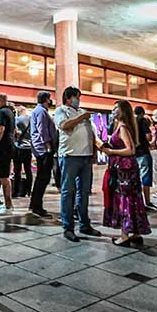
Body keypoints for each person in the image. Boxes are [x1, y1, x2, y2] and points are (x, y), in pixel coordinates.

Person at [98, 100, 151, 246]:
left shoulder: (122, 128)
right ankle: (136, 232)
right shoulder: (124, 126)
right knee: (134, 198)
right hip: (128, 168)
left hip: (125, 169)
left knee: (124, 199)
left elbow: (130, 150)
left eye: (116, 108)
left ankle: (125, 234)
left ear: (123, 111)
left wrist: (110, 151)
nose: (113, 110)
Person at [56, 86, 102, 242]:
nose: (78, 100)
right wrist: (82, 118)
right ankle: (68, 227)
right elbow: (64, 125)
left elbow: (91, 134)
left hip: (85, 157)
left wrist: (94, 152)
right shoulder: (61, 111)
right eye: (76, 97)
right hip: (69, 156)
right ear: (68, 98)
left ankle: (85, 224)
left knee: (83, 192)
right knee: (68, 192)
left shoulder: (83, 112)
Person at [28, 90, 56, 218]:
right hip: (43, 149)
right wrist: (48, 145)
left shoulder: (38, 111)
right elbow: (42, 129)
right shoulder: (41, 112)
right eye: (49, 99)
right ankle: (37, 205)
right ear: (46, 99)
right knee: (43, 177)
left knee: (41, 177)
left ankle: (35, 204)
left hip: (41, 148)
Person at [0, 94, 15, 211]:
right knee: (5, 176)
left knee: (3, 177)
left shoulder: (1, 113)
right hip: (9, 146)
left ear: (4, 100)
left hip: (2, 148)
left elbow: (0, 129)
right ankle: (8, 204)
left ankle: (8, 205)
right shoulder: (10, 112)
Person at [133, 106, 157, 211]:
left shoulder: (131, 121)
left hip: (134, 152)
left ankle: (138, 201)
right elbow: (148, 136)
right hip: (143, 151)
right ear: (142, 113)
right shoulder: (142, 121)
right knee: (145, 177)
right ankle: (147, 201)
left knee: (136, 177)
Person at [12, 105, 33, 198]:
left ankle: (16, 191)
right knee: (28, 170)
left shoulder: (16, 119)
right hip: (28, 147)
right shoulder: (31, 119)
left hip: (18, 147)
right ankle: (28, 190)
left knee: (17, 170)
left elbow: (15, 132)